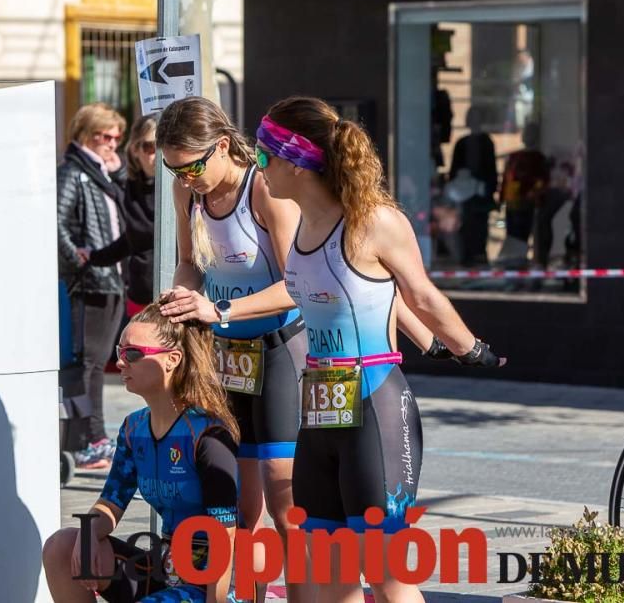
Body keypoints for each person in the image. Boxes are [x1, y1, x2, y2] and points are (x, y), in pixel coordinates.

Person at [166, 96, 504, 603]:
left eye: (263, 156)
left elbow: (419, 292)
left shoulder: (373, 220)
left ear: (296, 161)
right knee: (329, 574)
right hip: (320, 408)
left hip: (372, 404)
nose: (256, 165)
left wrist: (469, 349)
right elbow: (359, 288)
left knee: (386, 574)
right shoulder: (304, 223)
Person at [154, 97, 309, 602]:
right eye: (171, 168)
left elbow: (297, 285)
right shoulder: (187, 193)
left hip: (280, 346)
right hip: (227, 355)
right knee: (240, 506)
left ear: (221, 146)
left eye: (192, 166)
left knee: (285, 503)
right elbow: (189, 263)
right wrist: (181, 294)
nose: (184, 178)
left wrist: (218, 312)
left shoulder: (264, 190)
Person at [42, 300, 239, 603]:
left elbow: (224, 537)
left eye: (133, 354)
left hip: (211, 585)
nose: (121, 362)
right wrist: (88, 535)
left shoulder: (208, 436)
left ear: (172, 359)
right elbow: (110, 502)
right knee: (63, 547)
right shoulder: (134, 429)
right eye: (120, 352)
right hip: (165, 569)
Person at [57, 103, 127, 469]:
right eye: (106, 136)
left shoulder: (101, 173)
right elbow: (55, 221)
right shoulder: (73, 172)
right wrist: (77, 260)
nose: (113, 143)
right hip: (89, 282)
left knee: (96, 363)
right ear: (87, 134)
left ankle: (91, 437)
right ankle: (87, 440)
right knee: (87, 364)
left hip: (109, 278)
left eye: (117, 137)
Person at [78, 115, 157, 318]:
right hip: (140, 298)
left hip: (175, 298)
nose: (158, 154)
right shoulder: (130, 188)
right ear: (135, 149)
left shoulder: (181, 187)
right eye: (150, 147)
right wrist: (93, 256)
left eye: (164, 146)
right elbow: (130, 240)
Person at [447, 105, 497, 267]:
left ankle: (479, 255)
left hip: (480, 193)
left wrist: (487, 188)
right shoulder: (462, 143)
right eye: (471, 117)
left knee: (480, 225)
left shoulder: (486, 142)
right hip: (463, 193)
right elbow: (454, 170)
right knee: (464, 224)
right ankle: (467, 256)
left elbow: (491, 169)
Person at [499, 122, 548, 256]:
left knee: (523, 234)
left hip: (527, 203)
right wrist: (502, 198)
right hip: (512, 203)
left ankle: (519, 258)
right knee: (512, 234)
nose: (527, 136)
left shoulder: (538, 158)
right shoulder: (514, 157)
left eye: (531, 133)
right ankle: (513, 258)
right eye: (526, 132)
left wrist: (535, 197)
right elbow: (506, 179)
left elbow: (542, 182)